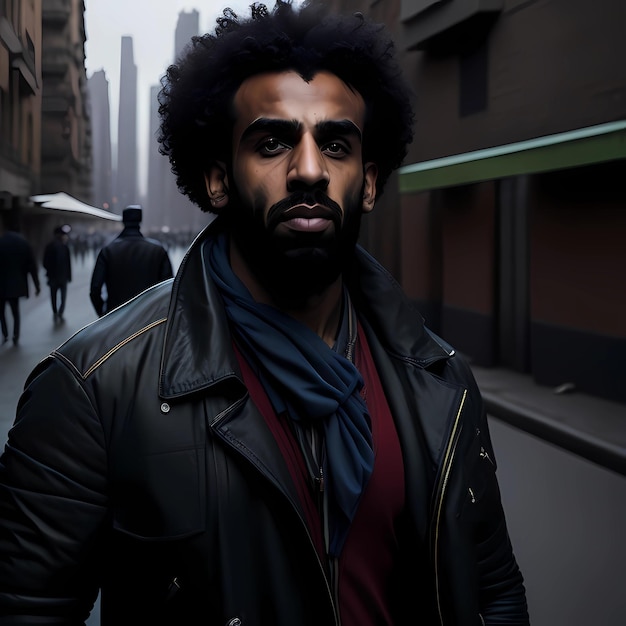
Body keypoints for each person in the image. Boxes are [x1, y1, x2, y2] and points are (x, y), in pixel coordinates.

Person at [0, 2, 529, 625]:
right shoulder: (94, 387)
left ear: (369, 181)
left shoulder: (441, 381)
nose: (308, 170)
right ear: (218, 179)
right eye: (273, 141)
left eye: (336, 144)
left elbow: (491, 590)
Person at [89, 205, 174, 316]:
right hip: (148, 317)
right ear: (140, 220)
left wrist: (104, 315)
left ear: (123, 221)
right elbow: (168, 288)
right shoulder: (158, 251)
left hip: (116, 317)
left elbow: (95, 290)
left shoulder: (108, 251)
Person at [0, 217, 40, 345]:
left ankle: (5, 333)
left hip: (1, 283)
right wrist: (37, 285)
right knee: (15, 311)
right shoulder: (24, 243)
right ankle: (16, 334)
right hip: (17, 284)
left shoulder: (1, 241)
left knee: (1, 311)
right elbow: (32, 266)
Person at [42, 224, 72, 322]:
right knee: (63, 297)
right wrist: (69, 276)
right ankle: (60, 311)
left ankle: (55, 311)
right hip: (63, 277)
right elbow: (68, 263)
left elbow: (45, 262)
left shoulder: (49, 246)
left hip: (53, 277)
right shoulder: (64, 247)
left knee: (53, 295)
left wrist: (49, 271)